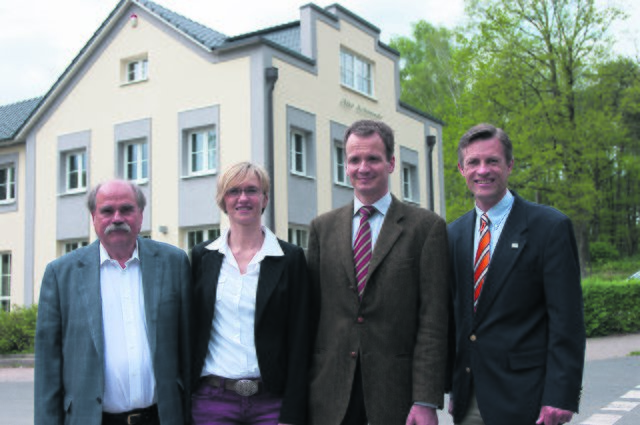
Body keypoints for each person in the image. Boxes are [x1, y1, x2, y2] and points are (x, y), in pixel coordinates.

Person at [307, 120, 450, 425]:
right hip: (330, 394)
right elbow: (311, 314)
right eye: (354, 160)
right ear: (345, 165)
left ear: (391, 163)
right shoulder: (323, 228)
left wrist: (425, 399)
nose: (363, 167)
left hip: (397, 394)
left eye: (373, 158)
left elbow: (434, 320)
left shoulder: (426, 228)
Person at [447, 123, 585, 425]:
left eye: (492, 161)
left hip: (530, 398)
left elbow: (567, 320)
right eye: (473, 162)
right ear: (461, 169)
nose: (483, 170)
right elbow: (456, 316)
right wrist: (453, 385)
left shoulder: (549, 228)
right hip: (470, 398)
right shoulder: (453, 235)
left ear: (509, 165)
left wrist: (561, 394)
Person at [35, 179, 191, 425]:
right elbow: (48, 368)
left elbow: (186, 348)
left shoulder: (174, 263)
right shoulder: (60, 274)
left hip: (161, 417)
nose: (117, 218)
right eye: (107, 211)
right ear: (94, 217)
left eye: (127, 209)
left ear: (140, 215)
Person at [190, 161, 309, 425]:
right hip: (213, 402)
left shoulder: (290, 259)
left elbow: (301, 339)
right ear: (223, 200)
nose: (243, 198)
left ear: (264, 198)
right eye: (234, 191)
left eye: (252, 190)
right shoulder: (202, 257)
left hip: (271, 404)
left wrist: (292, 412)